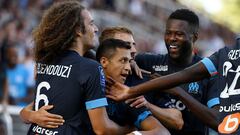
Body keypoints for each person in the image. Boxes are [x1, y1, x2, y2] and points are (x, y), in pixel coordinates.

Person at [23, 1, 135, 135]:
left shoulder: (45, 61)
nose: (96, 29)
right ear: (77, 30)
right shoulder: (90, 68)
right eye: (91, 23)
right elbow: (102, 129)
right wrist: (131, 129)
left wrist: (29, 116)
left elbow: (27, 110)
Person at [108, 9, 220, 135]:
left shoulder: (207, 72)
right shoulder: (147, 62)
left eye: (179, 34)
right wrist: (130, 62)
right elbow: (108, 62)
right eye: (168, 33)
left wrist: (178, 92)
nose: (172, 38)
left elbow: (217, 121)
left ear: (194, 37)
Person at [106, 34, 240, 135]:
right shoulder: (227, 54)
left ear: (193, 37)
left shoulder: (224, 60)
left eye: (132, 46)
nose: (132, 51)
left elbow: (177, 122)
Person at [99, 26, 184, 130]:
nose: (134, 50)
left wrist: (147, 105)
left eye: (133, 44)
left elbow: (177, 121)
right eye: (126, 44)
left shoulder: (144, 81)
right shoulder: (90, 76)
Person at [96, 38, 170, 135]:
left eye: (129, 62)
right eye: (123, 61)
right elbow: (102, 130)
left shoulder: (127, 96)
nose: (128, 67)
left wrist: (135, 134)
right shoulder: (86, 82)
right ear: (104, 62)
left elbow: (163, 133)